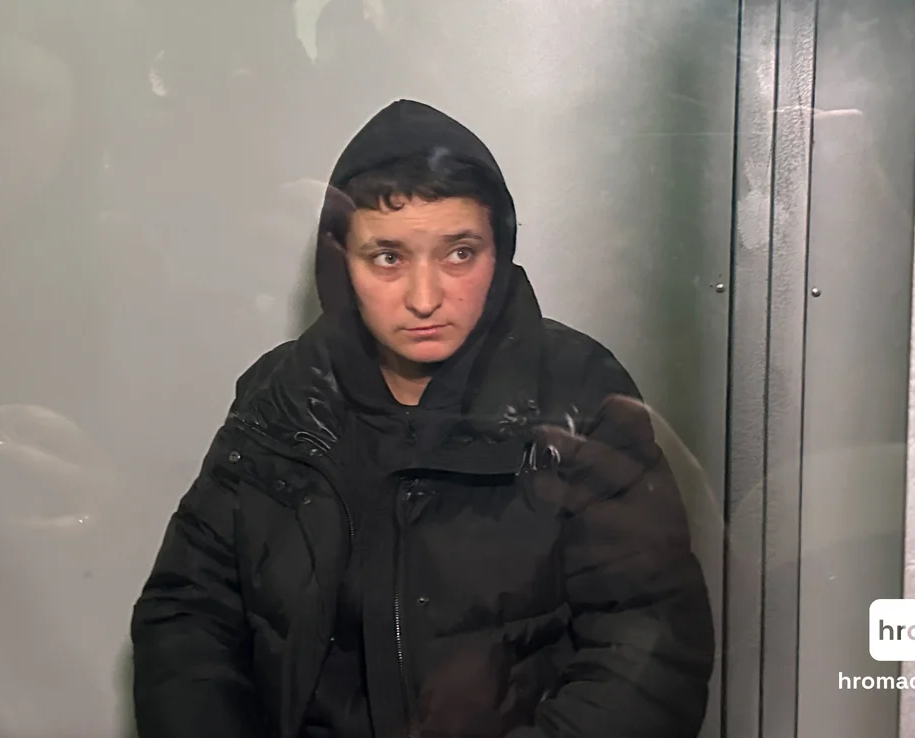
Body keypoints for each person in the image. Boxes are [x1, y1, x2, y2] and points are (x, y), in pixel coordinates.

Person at [131, 99, 715, 738]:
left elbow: (650, 647)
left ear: (500, 251)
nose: (425, 297)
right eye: (388, 257)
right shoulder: (283, 393)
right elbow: (188, 616)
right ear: (340, 262)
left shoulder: (580, 392)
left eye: (459, 253)